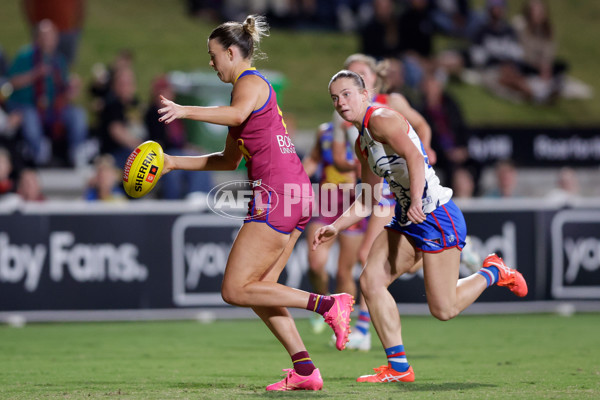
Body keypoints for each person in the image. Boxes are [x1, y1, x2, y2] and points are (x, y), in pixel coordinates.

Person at [156, 15, 354, 391]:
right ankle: (306, 370)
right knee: (260, 288)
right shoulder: (246, 91)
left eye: (214, 56)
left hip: (278, 193)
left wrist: (184, 110)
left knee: (235, 289)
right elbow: (229, 161)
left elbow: (235, 114)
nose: (211, 63)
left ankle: (329, 305)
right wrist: (172, 162)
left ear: (232, 52)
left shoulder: (249, 82)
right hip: (293, 191)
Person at [314, 69, 528, 383]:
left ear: (364, 95)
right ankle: (399, 369)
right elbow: (368, 196)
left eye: (347, 94)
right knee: (371, 281)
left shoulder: (382, 118)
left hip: (436, 216)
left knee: (444, 310)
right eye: (335, 97)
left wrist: (415, 200)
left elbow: (416, 157)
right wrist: (337, 225)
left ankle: (493, 271)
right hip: (408, 219)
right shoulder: (363, 143)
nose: (341, 102)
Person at [331, 53, 434, 351]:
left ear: (370, 82)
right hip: (388, 190)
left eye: (357, 76)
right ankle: (449, 255)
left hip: (410, 194)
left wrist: (424, 150)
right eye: (338, 94)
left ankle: (363, 329)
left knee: (368, 256)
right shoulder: (356, 126)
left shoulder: (390, 106)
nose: (341, 100)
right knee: (408, 270)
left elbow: (420, 130)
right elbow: (362, 186)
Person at [302, 121, 366, 334]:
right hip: (326, 204)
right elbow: (314, 158)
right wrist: (297, 177)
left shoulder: (367, 131)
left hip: (353, 204)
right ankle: (321, 305)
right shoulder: (325, 131)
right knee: (315, 263)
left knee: (343, 273)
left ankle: (341, 322)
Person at [7, 19, 88, 167]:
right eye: (44, 36)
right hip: (27, 105)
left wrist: (71, 89)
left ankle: (77, 153)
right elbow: (11, 82)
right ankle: (39, 155)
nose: (48, 40)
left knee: (77, 115)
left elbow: (62, 90)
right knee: (30, 118)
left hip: (52, 108)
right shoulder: (25, 56)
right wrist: (35, 74)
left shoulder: (58, 60)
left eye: (51, 36)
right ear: (37, 38)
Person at [144, 75, 213, 199]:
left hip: (178, 150)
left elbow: (181, 140)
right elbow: (160, 140)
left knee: (204, 158)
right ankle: (178, 201)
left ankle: (200, 195)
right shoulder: (153, 113)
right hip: (165, 152)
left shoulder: (175, 113)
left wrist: (190, 148)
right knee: (176, 168)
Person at [98, 66, 146, 167]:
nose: (125, 87)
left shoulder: (138, 104)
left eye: (128, 83)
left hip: (140, 150)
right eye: (122, 84)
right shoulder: (112, 105)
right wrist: (141, 147)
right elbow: (116, 131)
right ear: (114, 86)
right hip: (117, 153)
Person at [22, 0, 86, 67]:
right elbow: (28, 3)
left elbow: (80, 4)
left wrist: (78, 26)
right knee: (39, 64)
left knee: (66, 67)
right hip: (44, 32)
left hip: (67, 31)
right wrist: (34, 25)